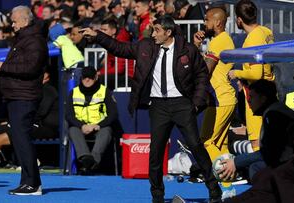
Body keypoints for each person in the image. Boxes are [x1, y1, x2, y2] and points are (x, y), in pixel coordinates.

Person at [81, 15, 222, 203]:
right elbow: (120, 48)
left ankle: (214, 190)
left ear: (168, 32)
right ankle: (157, 196)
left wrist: (195, 103)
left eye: (157, 30)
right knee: (155, 153)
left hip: (182, 104)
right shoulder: (146, 46)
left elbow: (202, 76)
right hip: (158, 106)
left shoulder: (187, 49)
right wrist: (97, 36)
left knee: (196, 146)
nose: (152, 34)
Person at [224, 62, 294, 203]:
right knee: (263, 176)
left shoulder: (277, 114)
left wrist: (237, 162)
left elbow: (273, 152)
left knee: (278, 175)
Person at [0, 5, 48, 195]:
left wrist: (4, 67)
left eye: (15, 21)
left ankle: (32, 183)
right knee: (19, 140)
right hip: (17, 96)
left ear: (25, 20)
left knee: (22, 140)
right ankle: (28, 182)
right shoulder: (25, 39)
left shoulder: (34, 41)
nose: (13, 25)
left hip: (25, 97)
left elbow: (30, 67)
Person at [193, 7, 237, 199]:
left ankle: (226, 187)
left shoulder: (221, 41)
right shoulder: (217, 41)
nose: (204, 24)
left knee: (209, 142)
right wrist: (197, 46)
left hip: (222, 99)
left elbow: (204, 70)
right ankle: (229, 188)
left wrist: (195, 51)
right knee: (220, 144)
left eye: (207, 20)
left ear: (218, 22)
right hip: (218, 99)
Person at [218, 79, 294, 182]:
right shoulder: (274, 111)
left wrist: (236, 162)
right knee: (255, 165)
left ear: (263, 99)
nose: (248, 100)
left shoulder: (274, 115)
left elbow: (268, 153)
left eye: (251, 97)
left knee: (256, 168)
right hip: (291, 160)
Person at [0, 72, 59, 168]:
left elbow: (40, 113)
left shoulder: (48, 90)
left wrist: (21, 120)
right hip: (34, 126)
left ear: (46, 77)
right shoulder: (37, 90)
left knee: (1, 138)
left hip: (46, 128)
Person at [228, 0, 274, 152]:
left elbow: (256, 74)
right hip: (271, 91)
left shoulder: (252, 40)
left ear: (239, 19)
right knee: (269, 138)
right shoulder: (266, 31)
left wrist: (236, 73)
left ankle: (259, 174)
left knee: (257, 143)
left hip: (257, 95)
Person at [66, 67, 118, 173]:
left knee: (107, 130)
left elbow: (113, 114)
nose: (87, 80)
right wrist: (82, 126)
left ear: (96, 77)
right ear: (81, 78)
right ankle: (86, 158)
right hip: (81, 127)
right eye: (85, 77)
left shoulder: (105, 91)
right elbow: (69, 115)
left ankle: (92, 162)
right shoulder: (73, 92)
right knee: (72, 129)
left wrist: (98, 125)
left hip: (99, 127)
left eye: (90, 77)